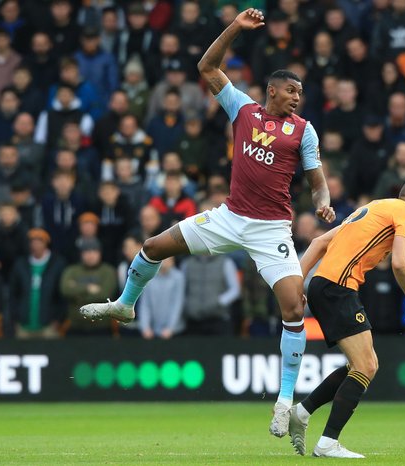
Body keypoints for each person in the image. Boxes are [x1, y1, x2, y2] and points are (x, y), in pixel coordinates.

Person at [79, 8, 334, 438]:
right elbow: (207, 67)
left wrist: (323, 204)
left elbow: (317, 183)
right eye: (291, 90)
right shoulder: (245, 111)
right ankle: (125, 304)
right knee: (154, 246)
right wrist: (235, 27)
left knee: (294, 308)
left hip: (271, 229)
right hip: (229, 217)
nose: (296, 97)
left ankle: (285, 400)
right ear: (272, 90)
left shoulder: (304, 131)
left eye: (300, 93)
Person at [288, 180, 405, 458]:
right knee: (366, 366)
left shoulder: (373, 208)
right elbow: (400, 263)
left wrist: (296, 285)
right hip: (338, 287)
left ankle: (303, 411)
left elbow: (320, 242)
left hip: (324, 285)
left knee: (363, 364)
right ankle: (327, 443)